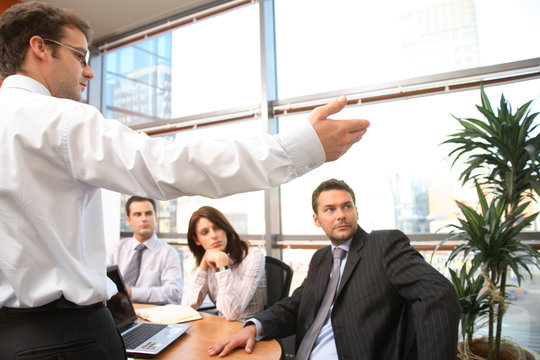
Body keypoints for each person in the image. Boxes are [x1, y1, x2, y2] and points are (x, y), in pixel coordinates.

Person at [0, 1, 369, 358]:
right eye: (80, 56)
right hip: (65, 338)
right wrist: (296, 149)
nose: (89, 71)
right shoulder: (60, 119)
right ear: (40, 48)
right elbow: (165, 166)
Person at [209, 179, 461, 360]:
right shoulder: (321, 258)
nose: (340, 215)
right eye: (330, 209)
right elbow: (296, 304)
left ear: (356, 211)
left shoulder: (383, 245)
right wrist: (254, 327)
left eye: (346, 206)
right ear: (317, 220)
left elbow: (437, 293)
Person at [182, 206, 266, 322]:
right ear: (197, 240)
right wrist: (203, 265)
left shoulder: (253, 256)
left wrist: (223, 266)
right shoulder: (210, 259)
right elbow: (187, 307)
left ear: (225, 229)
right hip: (221, 329)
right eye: (205, 232)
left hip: (248, 331)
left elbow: (231, 314)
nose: (213, 235)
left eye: (217, 228)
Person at [107, 196, 183, 305]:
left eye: (148, 214)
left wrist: (132, 293)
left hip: (153, 315)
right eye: (138, 214)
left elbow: (174, 294)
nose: (144, 219)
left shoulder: (168, 253)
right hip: (118, 313)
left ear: (156, 218)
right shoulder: (116, 250)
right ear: (128, 220)